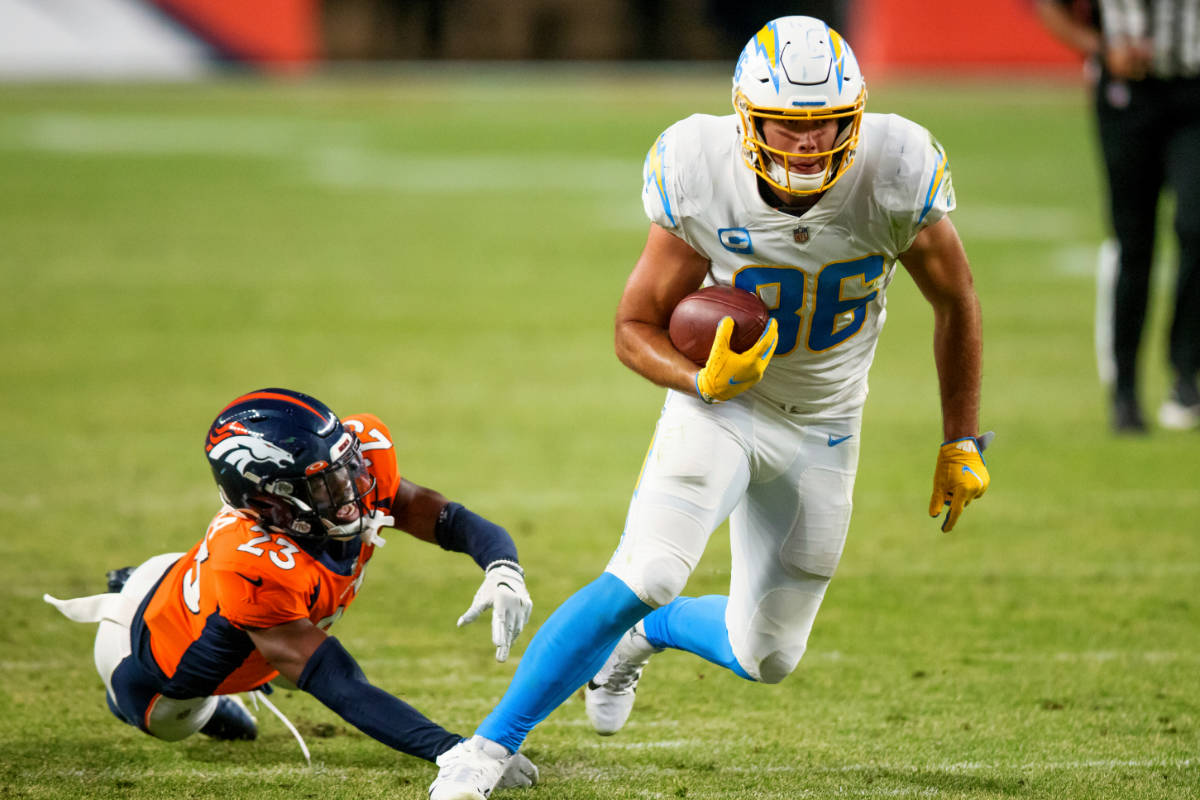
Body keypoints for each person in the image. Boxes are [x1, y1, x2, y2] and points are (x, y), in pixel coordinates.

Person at [428, 16, 991, 800]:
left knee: (769, 657)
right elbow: (633, 328)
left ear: (855, 116)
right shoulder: (701, 167)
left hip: (826, 424)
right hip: (721, 408)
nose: (806, 143)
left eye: (824, 121)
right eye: (785, 126)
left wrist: (961, 439)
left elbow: (955, 298)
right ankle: (485, 749)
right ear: (745, 120)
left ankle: (645, 638)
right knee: (649, 568)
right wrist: (701, 384)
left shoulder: (897, 170)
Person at [44, 387, 537, 786]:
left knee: (281, 635)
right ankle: (200, 690)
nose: (351, 490)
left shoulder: (355, 463)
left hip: (198, 583)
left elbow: (442, 517)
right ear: (270, 501)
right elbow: (336, 679)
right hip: (146, 663)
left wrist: (502, 566)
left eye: (347, 470)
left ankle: (243, 656)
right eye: (324, 485)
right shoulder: (250, 562)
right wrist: (452, 750)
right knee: (177, 720)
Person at [1035, 0, 1200, 432]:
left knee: (1196, 226)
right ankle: (1125, 390)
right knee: (1133, 241)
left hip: (1195, 91)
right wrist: (1102, 48)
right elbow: (1046, 6)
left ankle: (1186, 373)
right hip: (1128, 93)